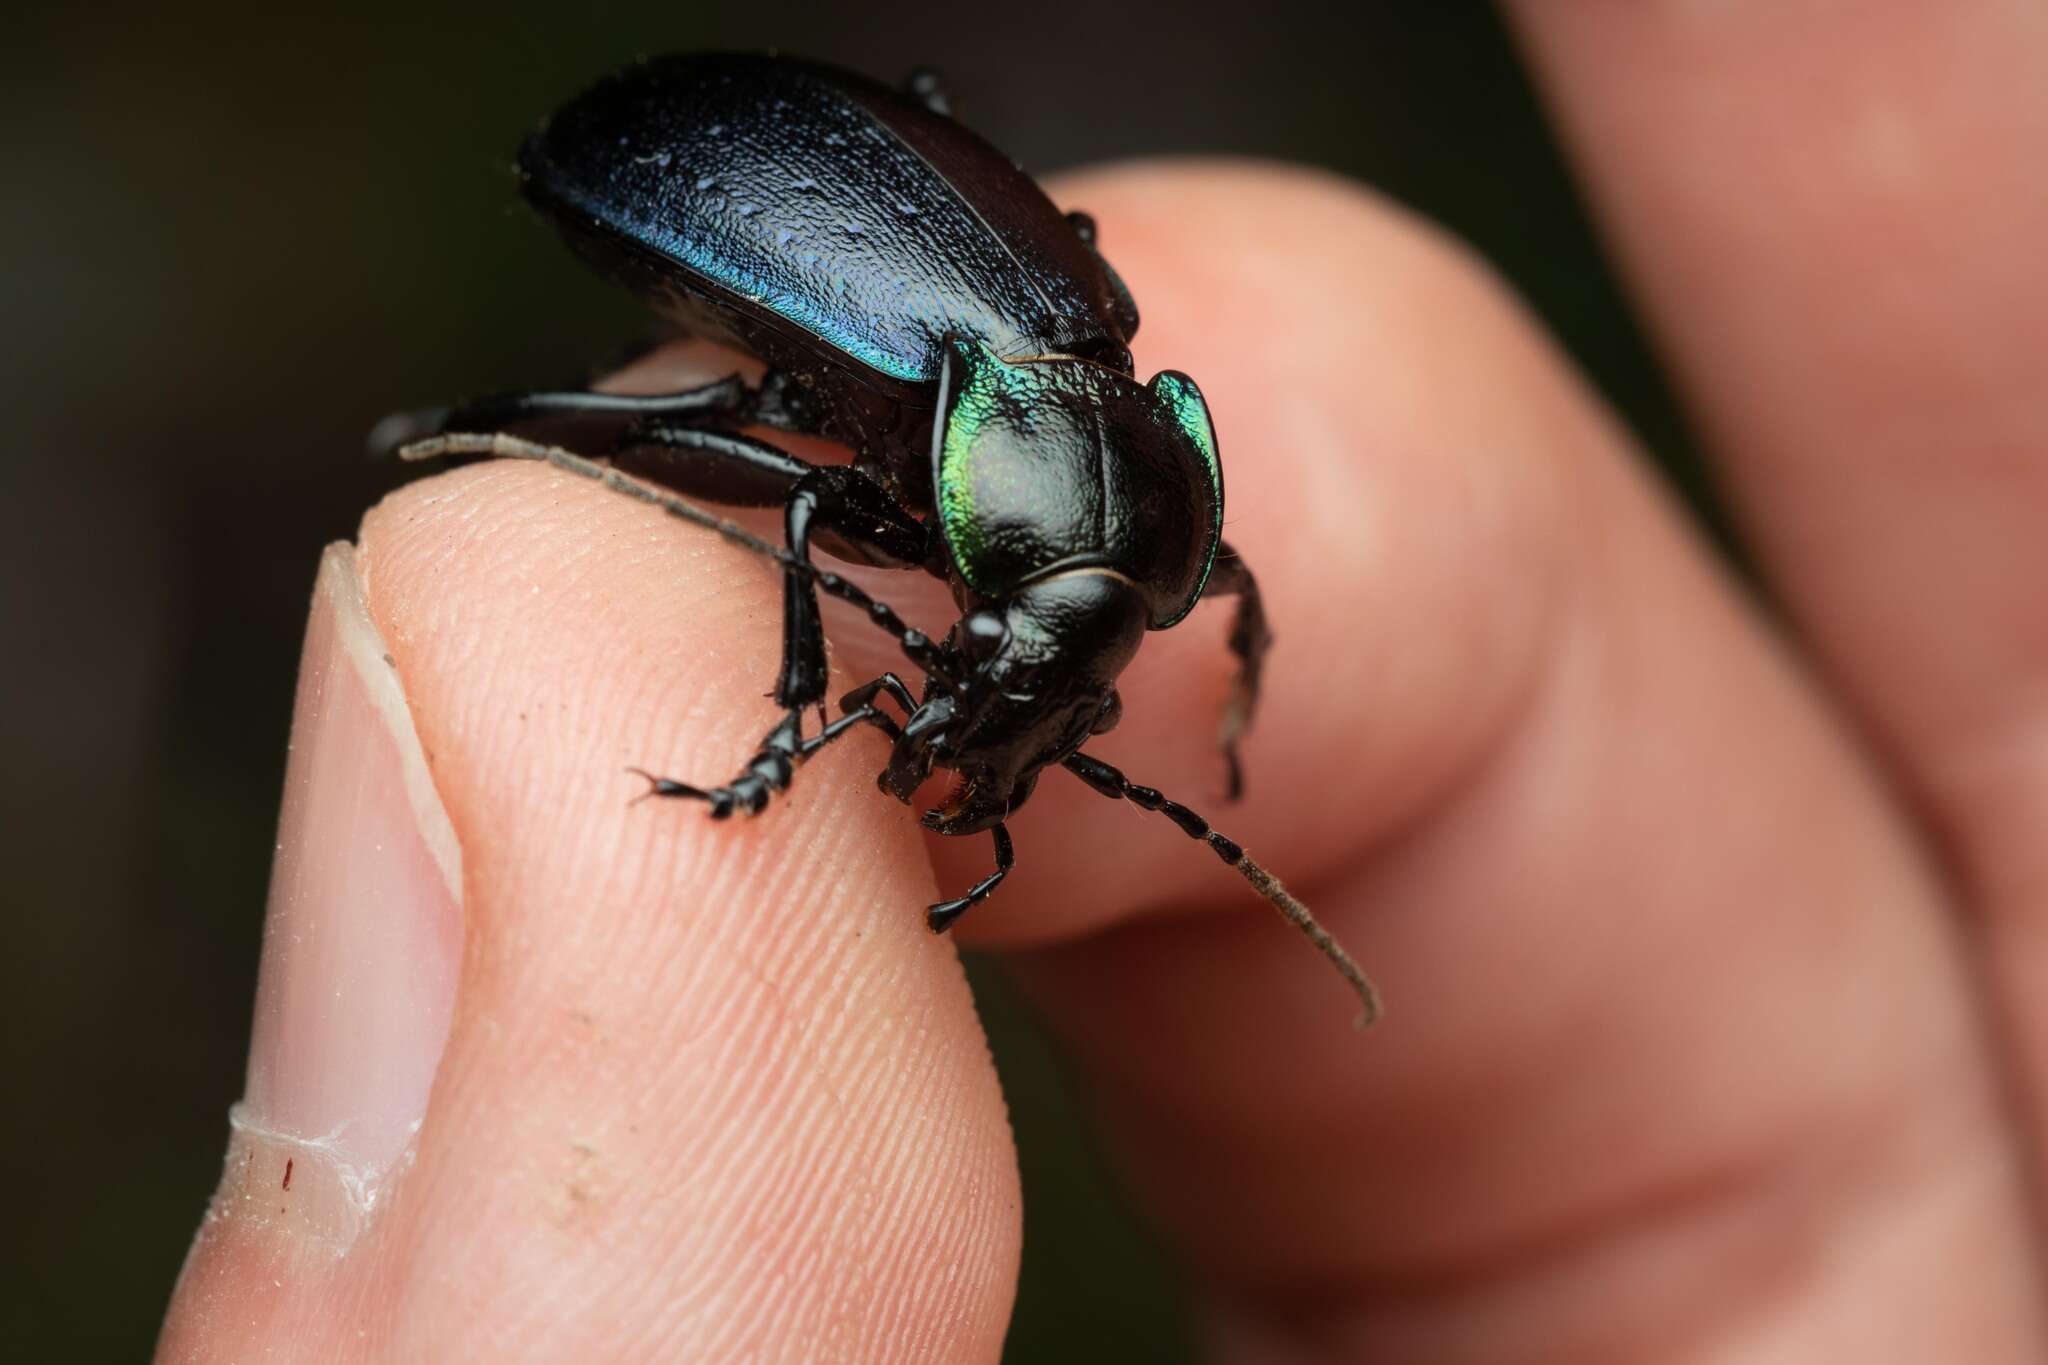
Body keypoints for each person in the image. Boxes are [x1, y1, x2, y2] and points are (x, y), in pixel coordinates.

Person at [158, 7, 2048, 1359]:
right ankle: (463, 429)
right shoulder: (998, 447)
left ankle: (460, 430)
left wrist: (1212, 659)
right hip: (666, 169)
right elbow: (826, 538)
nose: (988, 708)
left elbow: (1188, 577)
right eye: (1018, 670)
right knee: (751, 497)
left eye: (1036, 682)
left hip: (796, 193)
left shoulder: (1114, 500)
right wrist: (791, 719)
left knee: (709, 487)